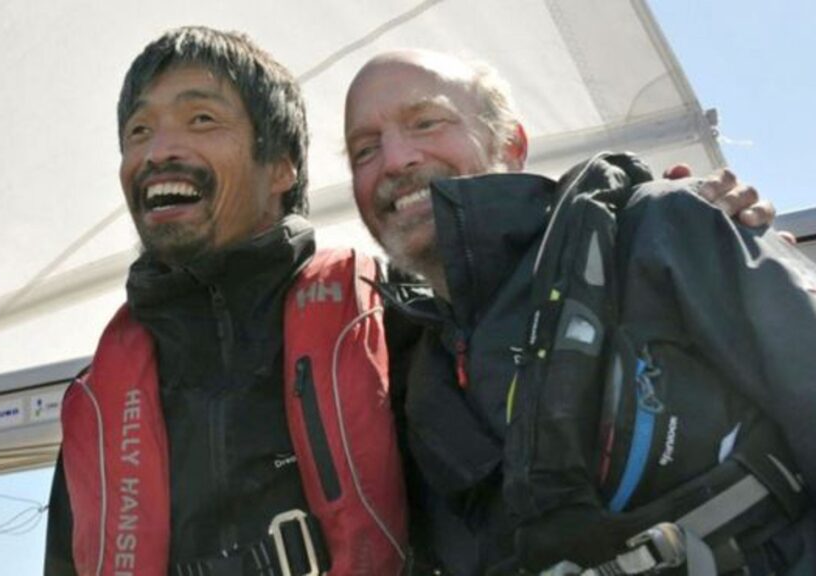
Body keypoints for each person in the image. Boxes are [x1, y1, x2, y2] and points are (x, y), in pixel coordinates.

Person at [343, 49, 816, 575]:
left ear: (511, 144)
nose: (393, 160)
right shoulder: (398, 383)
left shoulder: (663, 228)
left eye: (426, 122)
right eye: (364, 151)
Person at [44, 27, 410, 576]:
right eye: (138, 131)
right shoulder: (97, 407)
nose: (157, 151)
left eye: (201, 120)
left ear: (282, 167)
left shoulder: (394, 325)